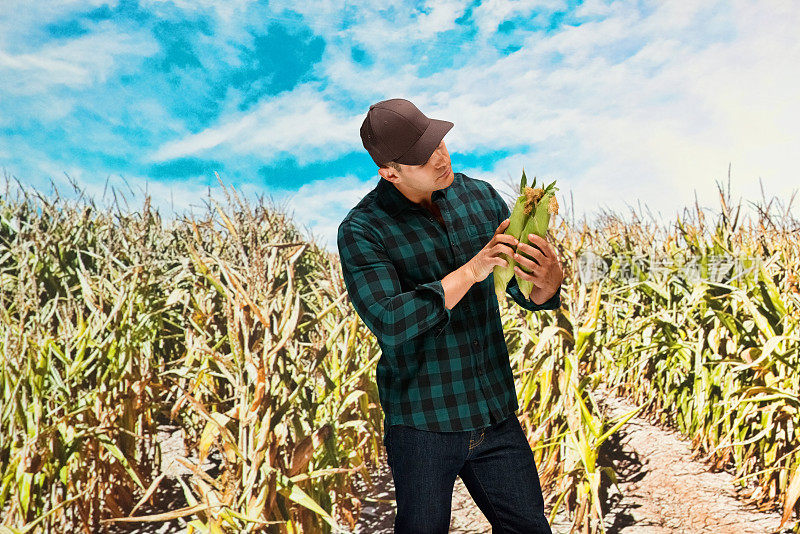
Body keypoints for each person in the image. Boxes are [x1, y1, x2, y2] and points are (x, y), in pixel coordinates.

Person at [337, 98, 563, 533]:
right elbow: (390, 319)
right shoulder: (363, 230)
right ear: (390, 171)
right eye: (425, 156)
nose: (441, 157)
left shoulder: (480, 197)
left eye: (439, 142)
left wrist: (547, 283)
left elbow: (517, 288)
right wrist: (472, 270)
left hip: (494, 413)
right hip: (423, 424)